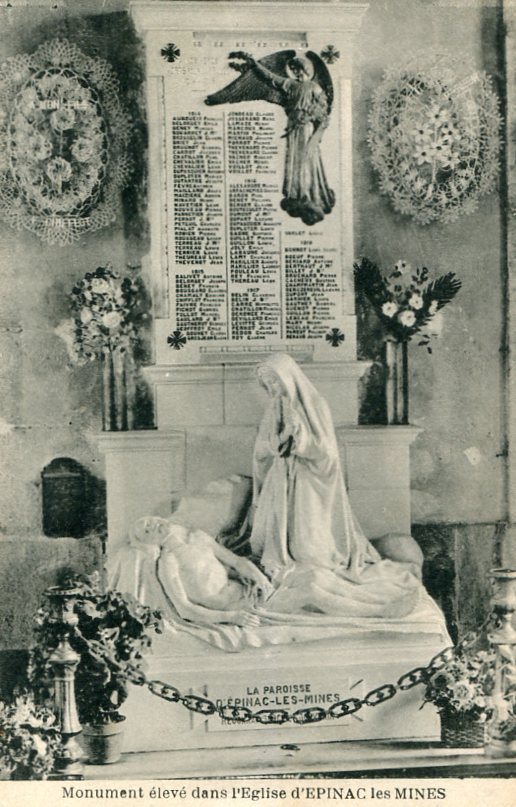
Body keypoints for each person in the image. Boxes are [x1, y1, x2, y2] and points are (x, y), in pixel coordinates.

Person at [249, 353, 420, 617]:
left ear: (289, 377)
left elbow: (327, 454)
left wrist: (301, 439)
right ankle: (285, 568)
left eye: (275, 381)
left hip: (310, 484)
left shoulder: (315, 404)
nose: (273, 388)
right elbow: (266, 446)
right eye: (268, 383)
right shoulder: (275, 406)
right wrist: (282, 437)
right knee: (273, 543)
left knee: (310, 548)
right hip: (281, 481)